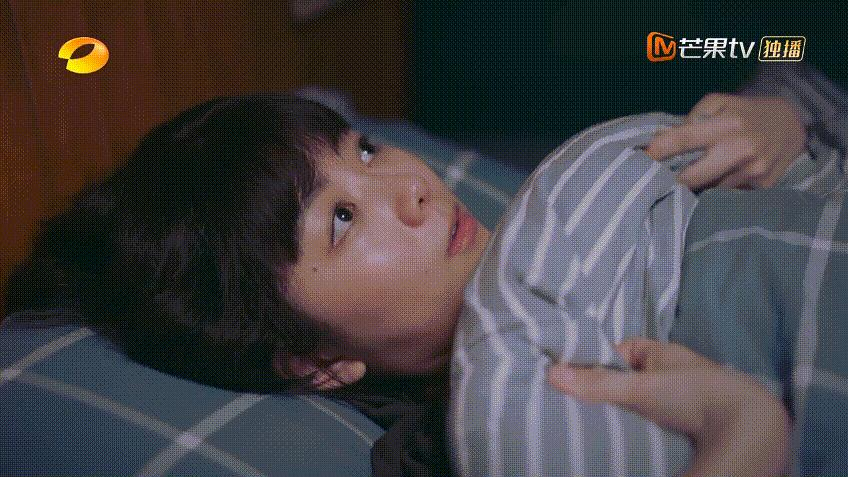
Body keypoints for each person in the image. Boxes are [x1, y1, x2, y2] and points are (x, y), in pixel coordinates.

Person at [3, 62, 843, 476]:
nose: (409, 185)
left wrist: (784, 116)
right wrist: (747, 435)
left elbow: (799, 67)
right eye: (340, 218)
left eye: (365, 149)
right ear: (315, 362)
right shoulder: (465, 440)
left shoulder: (566, 213)